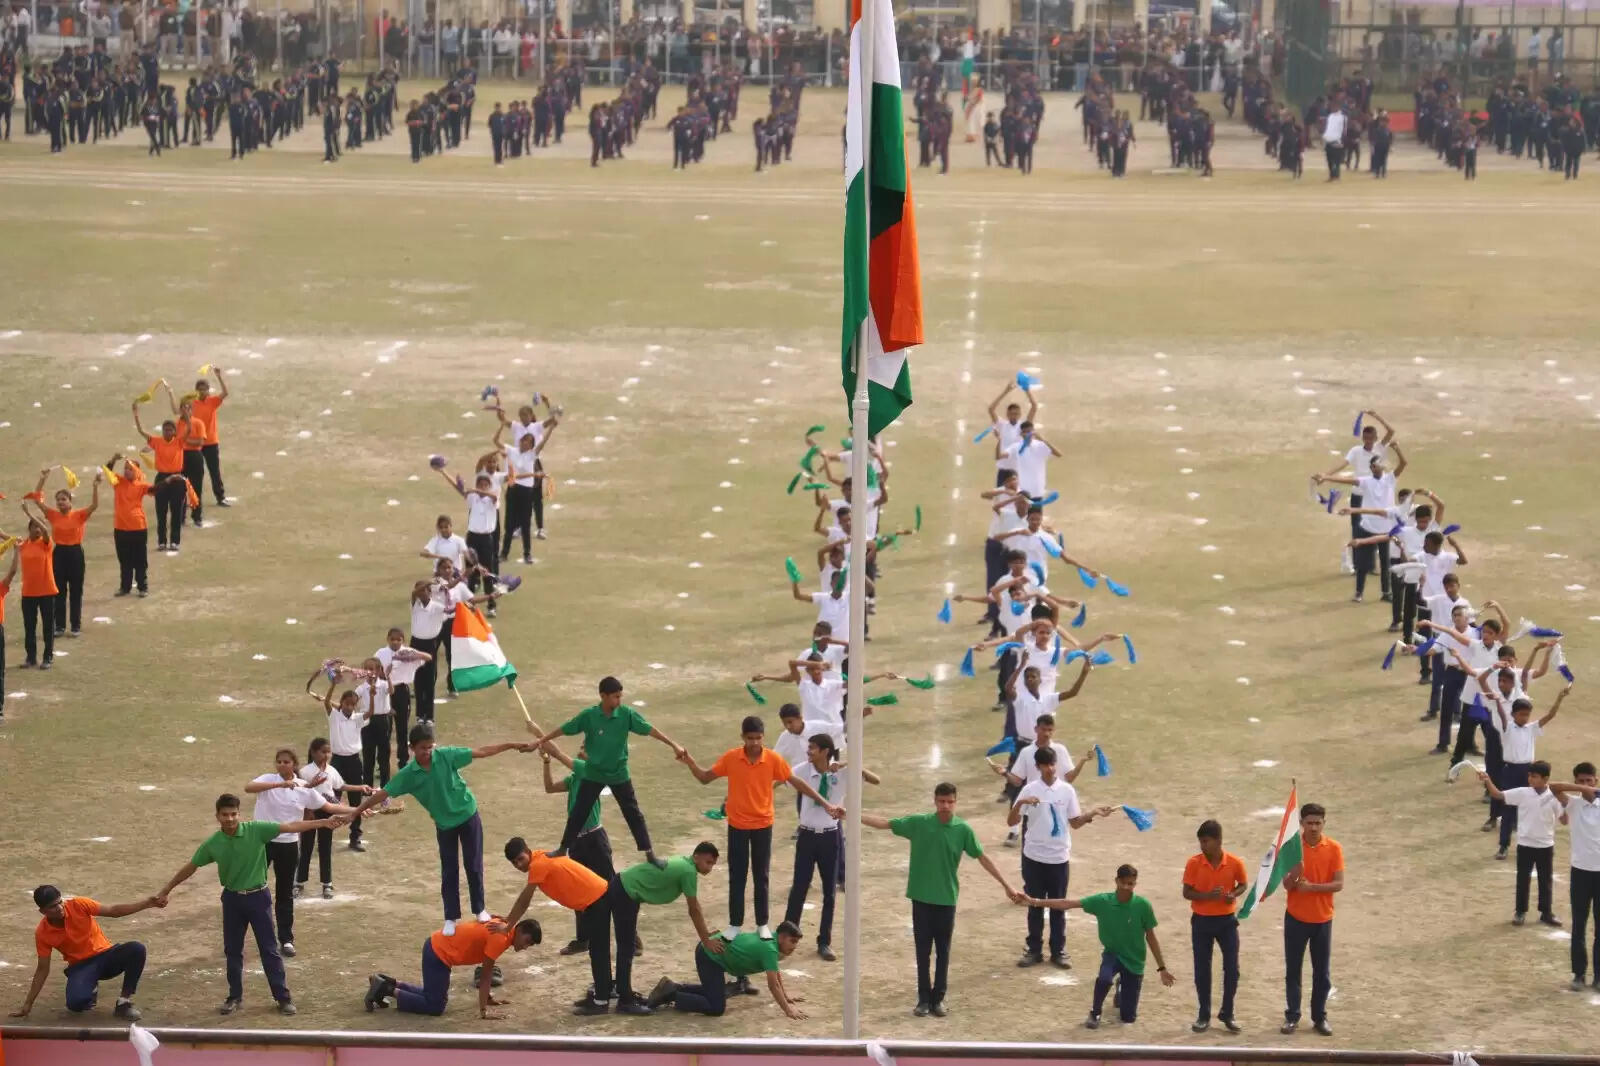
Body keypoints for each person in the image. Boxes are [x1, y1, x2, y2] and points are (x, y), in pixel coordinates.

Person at [153, 794, 345, 1016]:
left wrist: (323, 822)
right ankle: (234, 997)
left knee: (269, 949)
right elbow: (191, 866)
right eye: (225, 815)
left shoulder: (256, 830)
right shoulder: (213, 844)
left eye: (233, 814)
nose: (230, 819)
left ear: (239, 814)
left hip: (258, 898)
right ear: (217, 816)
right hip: (232, 900)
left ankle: (283, 998)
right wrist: (166, 890)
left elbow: (291, 826)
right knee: (232, 950)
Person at [860, 783, 1023, 1017]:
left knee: (943, 952)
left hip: (946, 899)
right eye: (941, 801)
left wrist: (1007, 886)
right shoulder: (919, 823)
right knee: (922, 951)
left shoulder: (963, 830)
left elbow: (982, 857)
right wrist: (852, 815)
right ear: (935, 801)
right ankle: (923, 999)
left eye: (950, 802)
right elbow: (885, 823)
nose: (945, 806)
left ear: (955, 802)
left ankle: (938, 999)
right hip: (921, 897)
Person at [351, 723, 531, 934]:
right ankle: (450, 918)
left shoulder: (446, 755)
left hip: (468, 815)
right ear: (412, 748)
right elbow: (384, 793)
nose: (427, 752)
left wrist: (512, 745)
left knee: (473, 865)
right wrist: (356, 811)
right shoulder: (408, 775)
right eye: (422, 748)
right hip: (445, 825)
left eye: (430, 747)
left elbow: (482, 752)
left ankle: (480, 909)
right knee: (449, 870)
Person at [676, 715, 842, 940]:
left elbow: (797, 782)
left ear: (763, 737)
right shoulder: (732, 758)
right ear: (742, 737)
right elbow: (705, 778)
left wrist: (825, 803)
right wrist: (690, 762)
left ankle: (762, 924)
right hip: (737, 826)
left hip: (763, 825)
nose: (754, 743)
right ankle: (735, 925)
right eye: (750, 738)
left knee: (761, 876)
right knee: (737, 876)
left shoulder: (772, 759)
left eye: (758, 738)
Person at [526, 676, 687, 865]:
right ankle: (563, 848)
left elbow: (650, 730)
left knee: (633, 814)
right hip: (594, 773)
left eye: (620, 696)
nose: (619, 701)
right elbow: (565, 729)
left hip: (619, 773)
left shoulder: (626, 714)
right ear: (603, 696)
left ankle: (649, 853)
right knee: (579, 811)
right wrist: (540, 740)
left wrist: (673, 745)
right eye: (615, 697)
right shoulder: (589, 716)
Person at [1018, 863, 1175, 1028]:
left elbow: (1151, 937)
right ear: (1116, 881)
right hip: (1112, 954)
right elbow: (1067, 903)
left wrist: (1162, 968)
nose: (1127, 887)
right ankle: (1095, 1012)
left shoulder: (1143, 906)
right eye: (1124, 883)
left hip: (1135, 961)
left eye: (1131, 884)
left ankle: (1121, 987)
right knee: (1104, 979)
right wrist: (1034, 901)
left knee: (1128, 1018)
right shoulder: (1102, 901)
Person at [244, 748, 366, 958]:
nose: (282, 765)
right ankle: (246, 935)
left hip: (288, 845)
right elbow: (249, 787)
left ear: (294, 764)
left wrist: (359, 809)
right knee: (253, 890)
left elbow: (329, 807)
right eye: (279, 761)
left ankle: (286, 939)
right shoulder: (268, 780)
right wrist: (279, 785)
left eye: (286, 762)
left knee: (284, 894)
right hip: (262, 843)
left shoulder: (303, 787)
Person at [1008, 746, 1114, 969]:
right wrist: (1021, 803)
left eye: (1052, 764)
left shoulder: (1067, 790)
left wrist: (1093, 812)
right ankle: (1034, 950)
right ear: (1038, 767)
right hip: (1033, 857)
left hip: (1058, 858)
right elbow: (1011, 821)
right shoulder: (1029, 790)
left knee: (1059, 905)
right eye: (1045, 765)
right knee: (1034, 904)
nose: (1050, 769)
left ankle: (1058, 951)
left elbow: (1075, 822)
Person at [784, 733, 878, 960]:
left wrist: (846, 763)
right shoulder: (803, 770)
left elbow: (875, 780)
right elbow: (782, 777)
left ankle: (824, 941)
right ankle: (786, 937)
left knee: (829, 891)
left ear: (826, 751)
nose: (808, 752)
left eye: (813, 748)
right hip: (807, 836)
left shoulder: (842, 773)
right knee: (799, 888)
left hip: (830, 837)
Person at [495, 838, 612, 1015]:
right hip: (594, 900)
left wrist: (508, 924)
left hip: (597, 900)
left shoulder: (538, 865)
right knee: (597, 950)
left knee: (598, 952)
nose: (519, 865)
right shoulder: (540, 857)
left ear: (528, 852)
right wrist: (508, 919)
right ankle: (603, 991)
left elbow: (524, 901)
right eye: (514, 863)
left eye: (520, 859)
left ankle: (601, 1001)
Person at [603, 844, 723, 1013]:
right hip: (625, 891)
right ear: (696, 856)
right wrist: (706, 940)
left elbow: (695, 907)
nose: (709, 868)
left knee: (628, 946)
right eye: (708, 862)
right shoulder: (688, 871)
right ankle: (624, 1001)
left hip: (625, 888)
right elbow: (694, 909)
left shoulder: (685, 864)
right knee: (626, 948)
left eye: (713, 864)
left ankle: (625, 993)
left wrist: (706, 934)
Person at [11, 885, 158, 1021]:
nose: (60, 908)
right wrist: (28, 1004)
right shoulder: (42, 933)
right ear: (43, 911)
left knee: (136, 949)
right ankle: (90, 987)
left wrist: (147, 903)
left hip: (106, 956)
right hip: (81, 966)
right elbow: (43, 969)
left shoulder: (79, 904)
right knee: (76, 1004)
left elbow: (113, 911)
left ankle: (123, 1003)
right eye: (53, 906)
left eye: (60, 902)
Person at [365, 918, 542, 1018]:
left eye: (530, 944)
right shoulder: (501, 938)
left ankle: (385, 982)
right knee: (435, 1006)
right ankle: (386, 989)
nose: (526, 946)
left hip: (436, 947)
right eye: (527, 941)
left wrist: (487, 998)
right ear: (519, 930)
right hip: (438, 953)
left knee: (432, 996)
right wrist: (484, 1011)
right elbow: (486, 975)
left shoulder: (503, 926)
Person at [645, 922, 806, 1019]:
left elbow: (775, 972)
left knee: (716, 994)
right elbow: (773, 985)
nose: (794, 947)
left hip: (714, 955)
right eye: (792, 941)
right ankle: (673, 995)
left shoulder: (771, 938)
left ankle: (673, 987)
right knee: (716, 1008)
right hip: (709, 955)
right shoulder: (770, 949)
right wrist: (788, 1010)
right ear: (782, 937)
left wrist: (786, 997)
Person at [1281, 802, 1343, 1036]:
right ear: (1301, 824)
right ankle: (1292, 1016)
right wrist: (1295, 876)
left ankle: (1319, 1017)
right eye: (1310, 823)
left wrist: (1312, 888)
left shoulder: (1334, 848)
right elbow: (1286, 884)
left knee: (1322, 973)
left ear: (1324, 823)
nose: (1314, 827)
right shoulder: (1292, 849)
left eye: (1318, 823)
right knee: (1293, 971)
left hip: (1322, 920)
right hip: (1296, 919)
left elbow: (1339, 884)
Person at [1182, 820, 1248, 1033]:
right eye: (1201, 842)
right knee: (1202, 969)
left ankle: (1227, 1012)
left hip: (1226, 922)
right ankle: (1204, 1014)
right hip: (1201, 921)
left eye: (1206, 841)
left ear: (1219, 840)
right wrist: (1208, 896)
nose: (1203, 846)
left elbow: (1243, 885)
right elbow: (1187, 892)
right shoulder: (1194, 863)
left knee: (1232, 969)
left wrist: (1233, 894)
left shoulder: (1235, 863)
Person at [1480, 760, 1564, 927]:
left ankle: (1546, 912)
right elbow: (1498, 795)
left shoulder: (1554, 797)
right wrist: (1488, 781)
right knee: (1522, 879)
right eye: (1530, 775)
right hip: (1525, 844)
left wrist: (1565, 800)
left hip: (1545, 845)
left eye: (1534, 776)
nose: (1530, 779)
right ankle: (1520, 911)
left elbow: (1564, 819)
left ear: (1545, 779)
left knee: (1545, 880)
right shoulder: (1523, 793)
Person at [1549, 764, 1600, 989]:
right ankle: (1578, 974)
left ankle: (1599, 977)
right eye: (1581, 781)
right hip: (1580, 872)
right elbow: (1553, 787)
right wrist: (1581, 790)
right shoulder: (1573, 804)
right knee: (1579, 924)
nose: (1586, 785)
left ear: (1596, 781)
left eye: (1589, 781)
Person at [31, 466, 98, 637]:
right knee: (59, 591)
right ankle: (60, 626)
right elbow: (37, 499)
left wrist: (95, 487)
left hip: (75, 554)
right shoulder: (53, 515)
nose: (60, 502)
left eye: (63, 499)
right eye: (58, 500)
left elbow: (94, 505)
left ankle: (75, 625)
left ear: (70, 501)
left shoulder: (79, 515)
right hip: (59, 554)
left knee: (76, 591)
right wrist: (43, 479)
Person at [13, 503, 56, 670]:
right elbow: (8, 538)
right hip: (29, 593)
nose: (38, 530)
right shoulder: (24, 545)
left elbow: (46, 531)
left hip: (46, 592)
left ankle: (47, 657)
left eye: (39, 527)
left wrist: (28, 513)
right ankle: (31, 658)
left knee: (47, 627)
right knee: (29, 627)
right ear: (29, 529)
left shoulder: (46, 544)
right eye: (34, 527)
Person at [107, 454, 154, 597]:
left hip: (138, 528)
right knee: (124, 560)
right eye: (125, 468)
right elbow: (108, 470)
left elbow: (156, 490)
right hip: (120, 528)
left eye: (130, 469)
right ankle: (125, 587)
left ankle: (142, 587)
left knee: (140, 560)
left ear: (137, 472)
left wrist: (169, 481)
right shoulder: (118, 482)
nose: (126, 471)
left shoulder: (142, 486)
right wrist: (113, 460)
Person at [192, 366, 230, 509]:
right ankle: (194, 499)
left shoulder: (212, 401)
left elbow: (225, 393)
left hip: (211, 442)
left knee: (214, 471)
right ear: (196, 391)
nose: (202, 392)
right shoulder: (192, 404)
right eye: (200, 389)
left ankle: (220, 497)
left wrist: (219, 376)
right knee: (196, 473)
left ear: (208, 390)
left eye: (205, 389)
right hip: (196, 443)